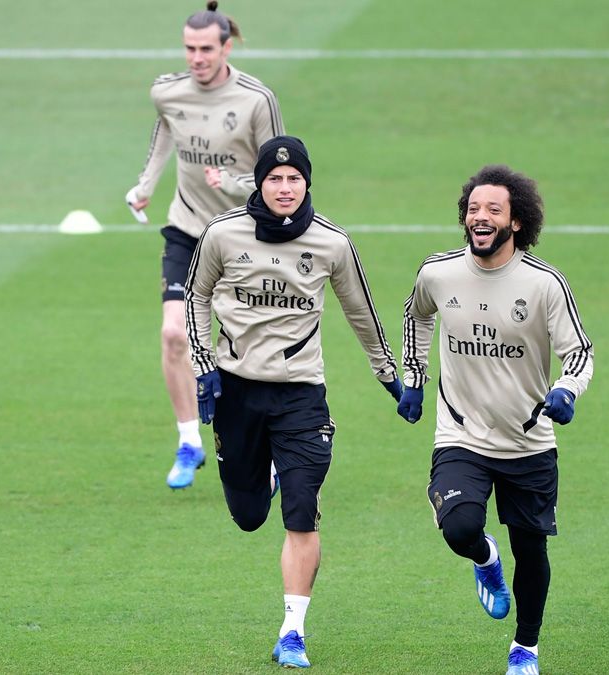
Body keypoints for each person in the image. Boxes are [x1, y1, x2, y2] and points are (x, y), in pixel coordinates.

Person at [186, 136, 401, 668]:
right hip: (236, 392)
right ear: (260, 182)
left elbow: (361, 312)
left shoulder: (331, 244)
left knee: (301, 513)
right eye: (275, 178)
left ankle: (293, 631)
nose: (285, 188)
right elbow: (196, 296)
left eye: (294, 179)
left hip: (301, 395)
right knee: (247, 514)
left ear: (307, 183)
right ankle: (266, 476)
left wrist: (391, 377)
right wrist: (203, 365)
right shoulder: (222, 234)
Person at [397, 165, 593, 675]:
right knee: (460, 526)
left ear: (517, 223)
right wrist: (414, 378)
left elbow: (580, 353)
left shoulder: (545, 284)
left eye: (493, 210)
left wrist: (567, 390)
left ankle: (526, 646)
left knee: (531, 552)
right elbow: (415, 315)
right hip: (460, 434)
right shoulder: (438, 273)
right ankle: (485, 559)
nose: (480, 217)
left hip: (528, 442)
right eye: (474, 209)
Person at [126, 1, 284, 490]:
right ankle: (189, 440)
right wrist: (146, 183)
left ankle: (269, 450)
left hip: (242, 234)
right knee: (174, 334)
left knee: (250, 351)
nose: (196, 58)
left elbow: (281, 178)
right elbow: (165, 132)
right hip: (187, 228)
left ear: (226, 47)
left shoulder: (256, 100)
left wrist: (235, 182)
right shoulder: (167, 91)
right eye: (190, 48)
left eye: (205, 49)